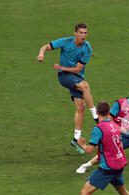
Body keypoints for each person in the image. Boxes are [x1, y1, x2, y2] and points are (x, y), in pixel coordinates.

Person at [37, 23, 98, 154]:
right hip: (64, 76)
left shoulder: (87, 48)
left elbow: (78, 69)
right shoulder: (65, 42)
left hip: (75, 75)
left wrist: (61, 67)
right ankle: (96, 116)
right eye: (81, 33)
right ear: (75, 33)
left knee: (80, 106)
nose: (83, 35)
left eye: (85, 33)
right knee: (85, 86)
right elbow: (45, 47)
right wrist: (41, 54)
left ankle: (76, 138)